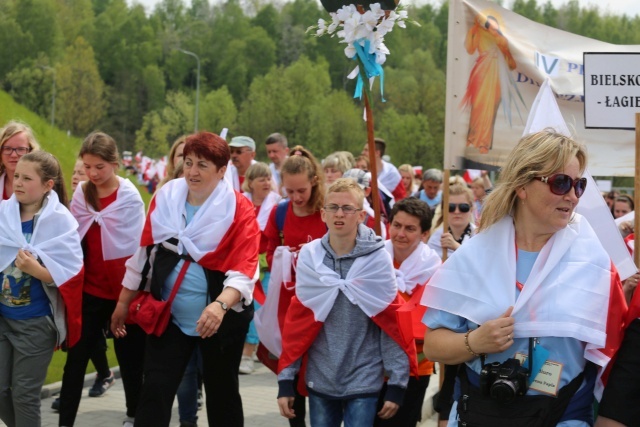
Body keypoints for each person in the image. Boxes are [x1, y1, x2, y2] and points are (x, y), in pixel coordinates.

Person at [421, 130, 626, 426]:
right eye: (561, 183)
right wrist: (475, 341)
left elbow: (615, 351)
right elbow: (433, 345)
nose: (572, 196)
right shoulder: (475, 255)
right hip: (482, 413)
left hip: (563, 415)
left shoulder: (595, 263)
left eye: (579, 185)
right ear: (522, 187)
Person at [111, 131, 260, 427]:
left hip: (219, 319)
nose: (192, 171)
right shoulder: (166, 196)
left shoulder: (238, 208)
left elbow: (245, 269)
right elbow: (144, 253)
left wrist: (219, 306)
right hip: (170, 316)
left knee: (222, 394)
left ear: (221, 171)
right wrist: (123, 303)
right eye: (188, 162)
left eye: (203, 165)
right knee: (155, 390)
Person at [277, 178, 414, 427]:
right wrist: (286, 378)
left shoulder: (378, 259)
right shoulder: (310, 257)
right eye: (333, 207)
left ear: (361, 215)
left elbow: (390, 322)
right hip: (321, 375)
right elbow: (298, 323)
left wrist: (397, 382)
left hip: (365, 375)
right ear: (323, 214)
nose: (339, 214)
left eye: (348, 208)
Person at [59, 132, 146, 427]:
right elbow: (70, 239)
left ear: (115, 164)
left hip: (124, 291)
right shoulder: (82, 194)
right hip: (90, 292)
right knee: (75, 360)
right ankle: (65, 421)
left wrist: (126, 298)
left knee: (130, 358)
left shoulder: (129, 198)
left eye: (100, 167)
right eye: (87, 167)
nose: (93, 173)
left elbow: (138, 250)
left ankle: (134, 414)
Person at [0, 151, 83, 427]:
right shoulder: (3, 213)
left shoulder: (61, 223)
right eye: (16, 176)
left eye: (27, 178)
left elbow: (70, 275)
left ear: (48, 185)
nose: (19, 183)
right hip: (2, 319)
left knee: (24, 395)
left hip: (35, 324)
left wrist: (36, 270)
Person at [259, 146, 327, 427]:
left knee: (321, 367)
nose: (297, 198)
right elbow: (268, 248)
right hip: (290, 302)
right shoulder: (281, 212)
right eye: (290, 192)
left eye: (302, 191)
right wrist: (286, 256)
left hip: (323, 302)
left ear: (314, 181)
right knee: (292, 363)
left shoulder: (326, 211)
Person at [52, 158, 114, 413]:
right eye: (77, 172)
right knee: (80, 348)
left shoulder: (108, 205)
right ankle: (69, 404)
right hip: (84, 289)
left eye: (84, 172)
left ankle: (107, 377)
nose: (80, 176)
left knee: (95, 341)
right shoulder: (71, 208)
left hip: (108, 289)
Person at [375, 197, 441, 427]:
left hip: (416, 367)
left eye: (410, 228)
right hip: (372, 366)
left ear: (425, 234)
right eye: (397, 225)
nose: (400, 233)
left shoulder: (435, 270)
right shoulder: (373, 260)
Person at [239, 162, 282, 374]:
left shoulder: (277, 204)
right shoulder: (241, 202)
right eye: (261, 179)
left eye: (268, 178)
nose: (266, 182)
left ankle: (248, 352)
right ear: (251, 183)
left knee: (259, 307)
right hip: (241, 263)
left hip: (265, 266)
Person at [461, 14, 518, 154]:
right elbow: (470, 49)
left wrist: (505, 51)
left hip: (496, 77)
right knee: (477, 106)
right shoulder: (479, 33)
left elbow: (512, 64)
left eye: (496, 27)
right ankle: (472, 138)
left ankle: (484, 144)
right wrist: (473, 30)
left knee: (489, 109)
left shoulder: (502, 40)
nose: (494, 30)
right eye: (491, 27)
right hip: (480, 74)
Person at [428, 183, 475, 258]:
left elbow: (482, 264)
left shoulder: (479, 236)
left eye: (463, 207)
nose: (457, 211)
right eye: (451, 207)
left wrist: (456, 246)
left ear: (471, 209)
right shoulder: (436, 238)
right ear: (444, 210)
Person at [0, 121, 40, 200]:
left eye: (20, 149)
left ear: (31, 151)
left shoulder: (41, 186)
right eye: (7, 149)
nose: (14, 155)